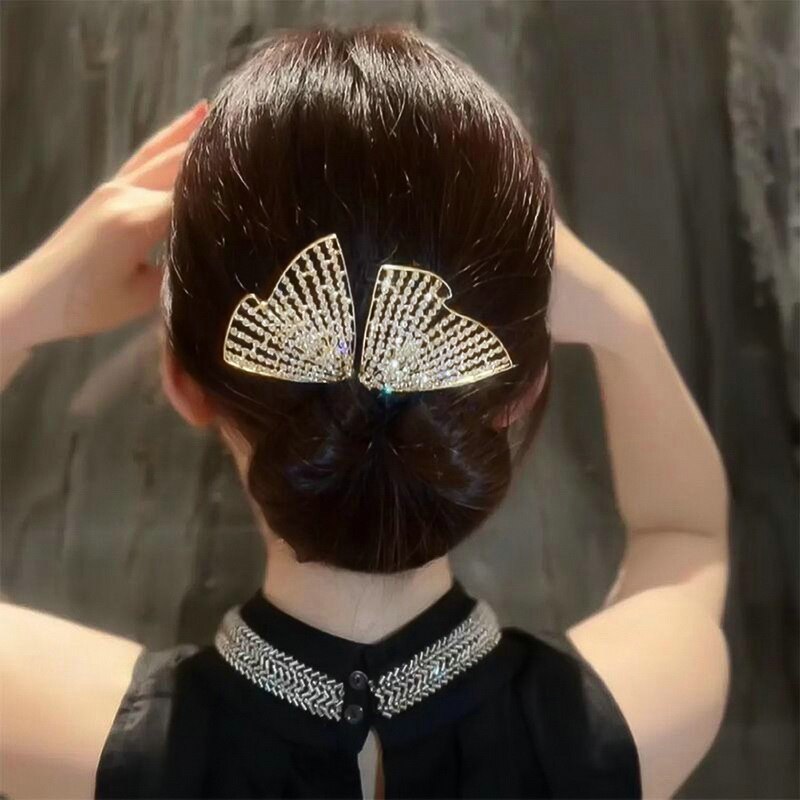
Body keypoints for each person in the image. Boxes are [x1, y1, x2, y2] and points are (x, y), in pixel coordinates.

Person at [0, 25, 729, 800]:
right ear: (523, 387)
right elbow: (686, 536)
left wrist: (25, 301)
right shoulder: (635, 717)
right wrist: (622, 318)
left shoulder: (73, 741)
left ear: (184, 382)